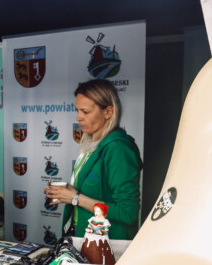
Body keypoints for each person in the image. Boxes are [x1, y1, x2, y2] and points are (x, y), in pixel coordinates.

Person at [44, 78, 142, 240]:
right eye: (77, 111)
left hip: (107, 246)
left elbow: (127, 213)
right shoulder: (94, 144)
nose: (78, 117)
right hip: (86, 237)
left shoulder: (118, 149)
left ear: (108, 112)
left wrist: (76, 198)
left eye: (85, 112)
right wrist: (71, 192)